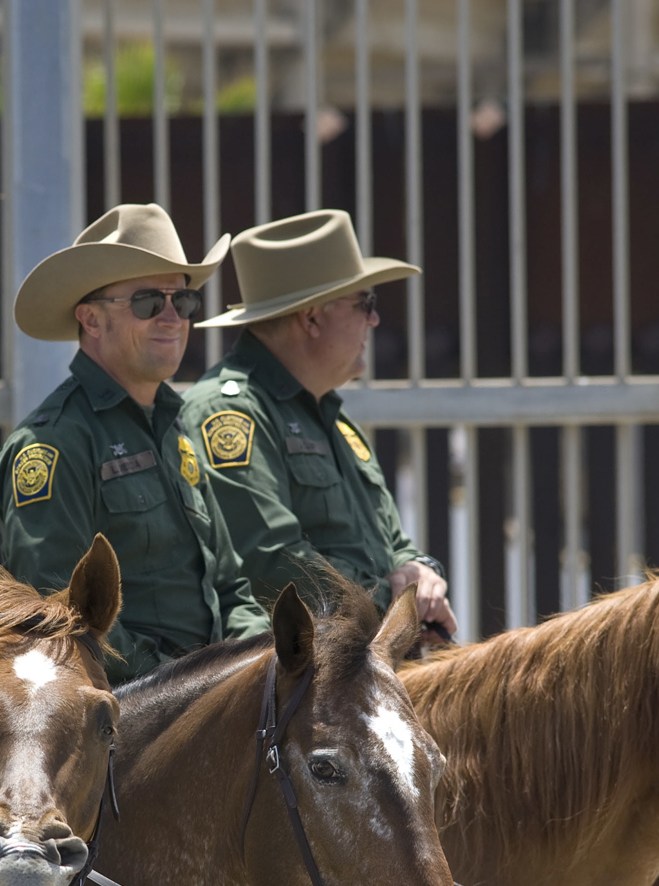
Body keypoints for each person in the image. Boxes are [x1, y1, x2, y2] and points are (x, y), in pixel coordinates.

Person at [0, 203, 267, 682]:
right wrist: (184, 683)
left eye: (184, 302)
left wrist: (260, 658)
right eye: (148, 302)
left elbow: (229, 585)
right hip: (130, 706)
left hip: (212, 694)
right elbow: (62, 617)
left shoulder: (172, 427)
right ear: (91, 320)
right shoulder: (52, 444)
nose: (172, 318)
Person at [182, 209, 457, 639]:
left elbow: (390, 542)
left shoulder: (326, 414)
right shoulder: (229, 412)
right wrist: (394, 603)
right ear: (311, 318)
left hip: (362, 654)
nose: (374, 320)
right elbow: (272, 564)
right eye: (365, 303)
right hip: (302, 669)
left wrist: (421, 572)